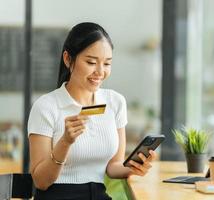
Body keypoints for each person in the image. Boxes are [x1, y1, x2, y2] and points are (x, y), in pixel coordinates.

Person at [28, 22, 156, 200]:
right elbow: (41, 181)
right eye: (91, 62)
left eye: (107, 64)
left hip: (99, 195)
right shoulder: (46, 106)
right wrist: (65, 142)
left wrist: (134, 167)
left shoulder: (115, 102)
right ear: (68, 59)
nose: (100, 72)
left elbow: (113, 167)